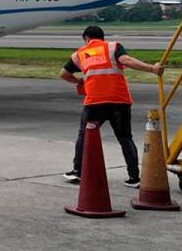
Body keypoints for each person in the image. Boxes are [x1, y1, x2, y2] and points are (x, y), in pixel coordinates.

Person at [59, 25, 164, 187]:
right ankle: (134, 178)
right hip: (119, 100)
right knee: (125, 138)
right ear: (102, 37)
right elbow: (127, 61)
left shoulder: (80, 53)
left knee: (84, 136)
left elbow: (64, 74)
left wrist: (80, 81)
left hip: (95, 102)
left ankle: (78, 171)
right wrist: (152, 68)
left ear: (87, 38)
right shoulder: (113, 47)